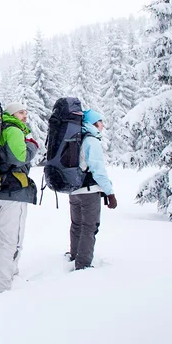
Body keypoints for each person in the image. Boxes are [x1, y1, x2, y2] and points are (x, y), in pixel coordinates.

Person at [0, 101, 38, 298]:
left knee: (13, 237)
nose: (25, 115)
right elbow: (19, 156)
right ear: (11, 114)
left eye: (26, 111)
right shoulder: (13, 130)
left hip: (6, 191)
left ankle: (9, 273)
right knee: (9, 240)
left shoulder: (7, 129)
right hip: (11, 192)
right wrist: (33, 145)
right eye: (20, 112)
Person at [67, 108, 117, 270]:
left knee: (76, 224)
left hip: (74, 190)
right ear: (93, 123)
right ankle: (83, 264)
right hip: (89, 191)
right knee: (90, 226)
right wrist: (110, 192)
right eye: (100, 121)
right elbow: (98, 170)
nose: (102, 125)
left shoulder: (76, 138)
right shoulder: (91, 141)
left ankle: (75, 255)